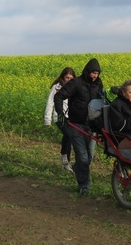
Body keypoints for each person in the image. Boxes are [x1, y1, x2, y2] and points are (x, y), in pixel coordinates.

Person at [53, 58, 103, 195]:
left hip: (91, 126)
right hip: (75, 124)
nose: (95, 76)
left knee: (89, 157)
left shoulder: (98, 84)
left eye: (97, 73)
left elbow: (100, 103)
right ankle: (84, 185)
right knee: (82, 156)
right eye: (93, 73)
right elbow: (58, 97)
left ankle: (77, 168)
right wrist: (61, 113)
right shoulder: (76, 83)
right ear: (87, 71)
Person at [44, 67, 76, 172]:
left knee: (70, 137)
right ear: (63, 77)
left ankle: (67, 162)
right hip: (59, 117)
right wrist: (47, 120)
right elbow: (50, 103)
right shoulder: (56, 87)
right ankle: (64, 156)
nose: (69, 80)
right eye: (67, 77)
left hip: (71, 117)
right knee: (68, 134)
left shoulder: (75, 87)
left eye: (71, 78)